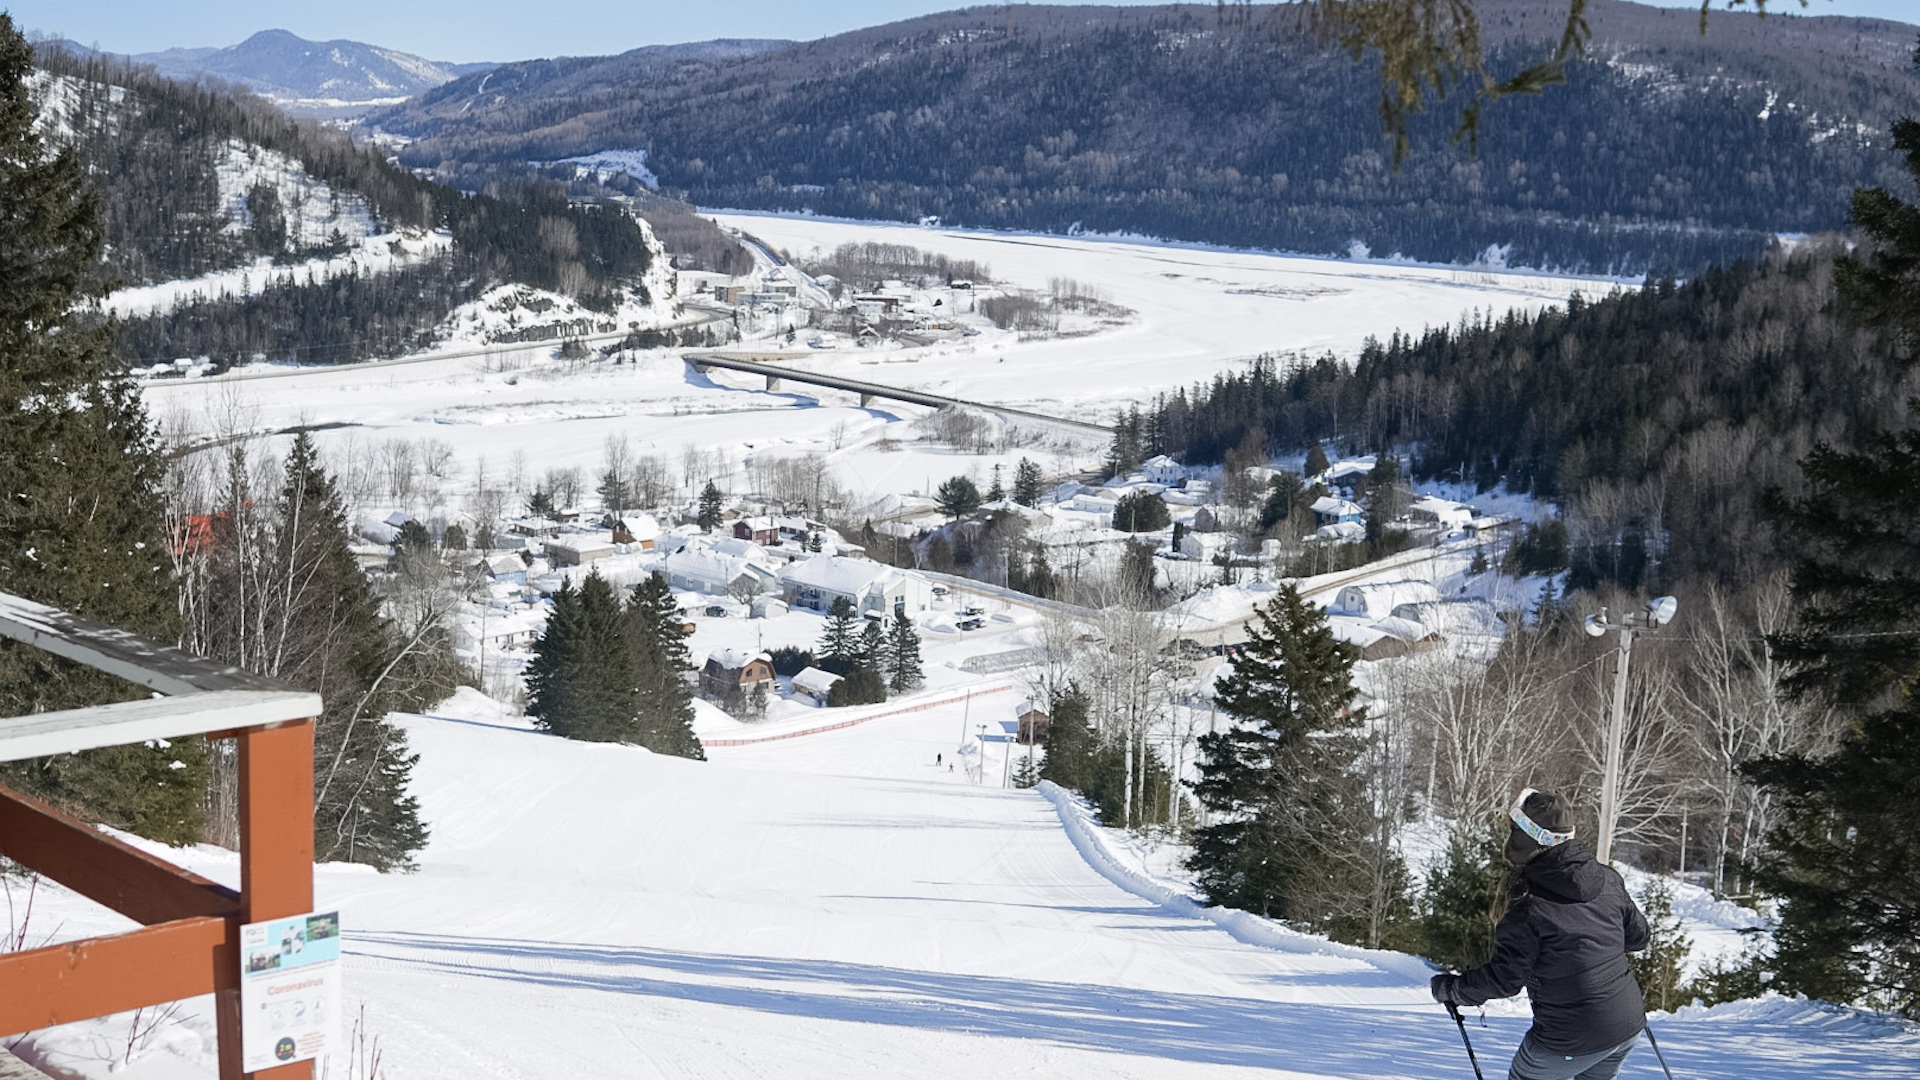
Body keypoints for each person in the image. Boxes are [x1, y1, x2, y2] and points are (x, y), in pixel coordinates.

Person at [1430, 788, 1651, 1080]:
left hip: (1570, 1039)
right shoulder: (1607, 878)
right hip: (1626, 1026)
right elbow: (1638, 937)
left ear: (1527, 838)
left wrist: (1454, 990)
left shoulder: (1527, 905)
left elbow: (1505, 979)